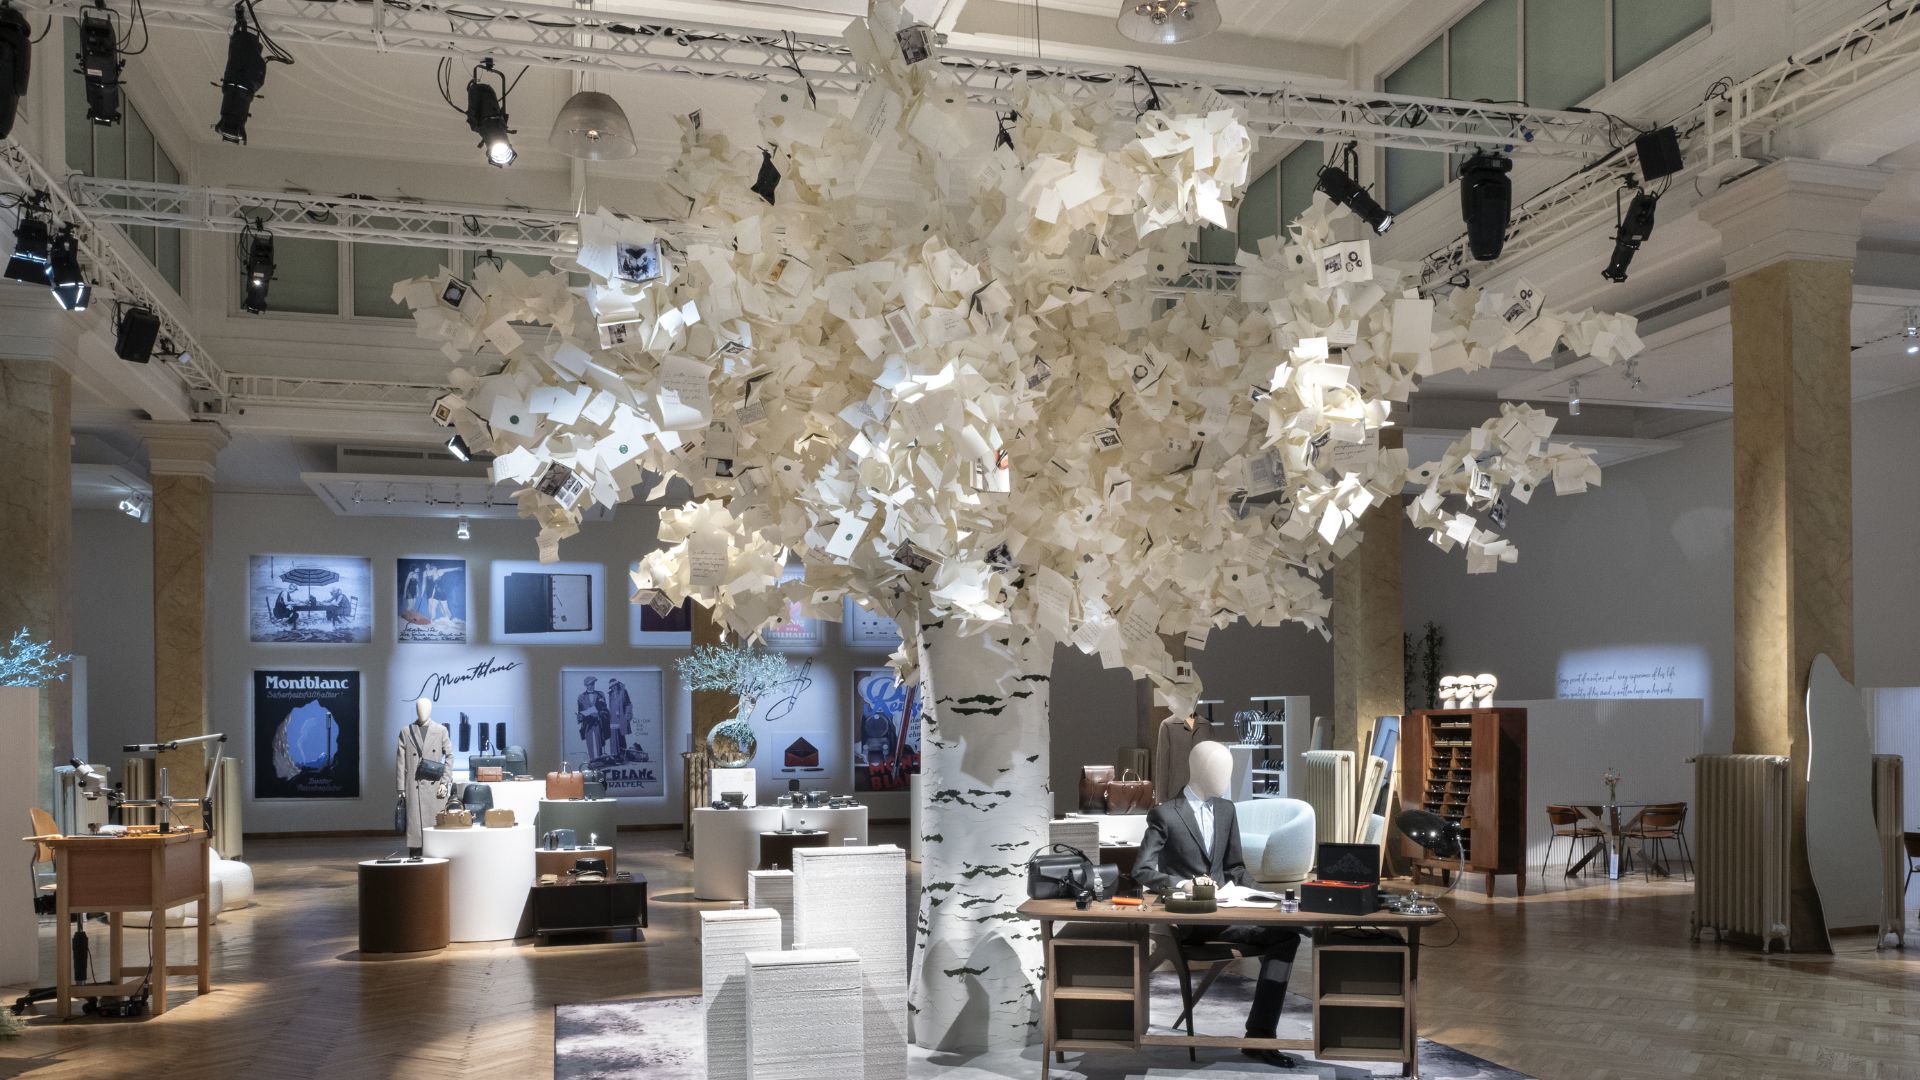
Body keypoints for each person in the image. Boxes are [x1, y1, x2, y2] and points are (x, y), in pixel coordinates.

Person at [1134, 741, 1303, 1069]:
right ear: (1201, 770)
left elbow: (1236, 868)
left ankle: (1259, 1038)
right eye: (1222, 769)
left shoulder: (1226, 810)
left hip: (1227, 911)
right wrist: (1182, 884)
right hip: (1191, 922)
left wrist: (1269, 897)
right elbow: (1142, 870)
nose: (1227, 777)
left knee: (1287, 934)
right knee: (1287, 935)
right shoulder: (1165, 814)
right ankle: (1260, 1038)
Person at [576, 676, 611, 761]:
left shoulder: (600, 694)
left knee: (599, 740)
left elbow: (604, 708)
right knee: (589, 741)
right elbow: (580, 711)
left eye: (593, 684)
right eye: (590, 684)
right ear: (586, 685)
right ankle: (592, 760)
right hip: (587, 723)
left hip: (597, 721)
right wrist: (580, 717)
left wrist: (601, 713)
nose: (592, 686)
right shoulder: (581, 697)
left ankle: (600, 759)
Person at [606, 677, 633, 759]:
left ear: (617, 685)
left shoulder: (623, 692)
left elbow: (628, 704)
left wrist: (628, 714)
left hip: (621, 717)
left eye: (615, 685)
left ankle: (623, 755)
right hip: (613, 718)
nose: (614, 687)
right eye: (612, 686)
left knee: (621, 736)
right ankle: (614, 755)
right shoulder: (610, 694)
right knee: (613, 737)